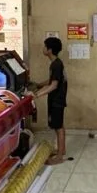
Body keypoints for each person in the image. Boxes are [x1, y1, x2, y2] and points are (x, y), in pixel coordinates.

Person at [29, 36, 69, 165]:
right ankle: (61, 150)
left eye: (44, 46)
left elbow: (54, 85)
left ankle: (59, 157)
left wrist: (36, 95)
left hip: (57, 100)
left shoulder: (56, 65)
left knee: (58, 127)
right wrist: (39, 85)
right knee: (58, 125)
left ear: (49, 50)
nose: (43, 48)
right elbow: (52, 80)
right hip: (56, 99)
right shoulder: (56, 63)